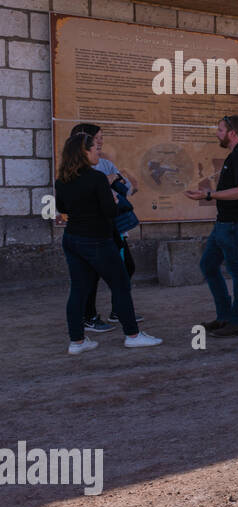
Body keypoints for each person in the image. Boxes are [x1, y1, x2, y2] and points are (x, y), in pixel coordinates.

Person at [55, 132, 161, 354]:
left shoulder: (62, 179)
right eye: (95, 148)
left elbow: (63, 208)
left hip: (72, 239)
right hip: (97, 240)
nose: (98, 152)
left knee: (78, 290)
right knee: (121, 285)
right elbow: (111, 211)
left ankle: (77, 341)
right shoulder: (96, 178)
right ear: (84, 152)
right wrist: (112, 199)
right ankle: (132, 335)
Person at [185, 114, 238, 337]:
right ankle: (225, 316)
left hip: (235, 224)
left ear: (232, 133)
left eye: (220, 130)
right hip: (224, 223)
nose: (218, 133)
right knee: (208, 266)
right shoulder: (236, 154)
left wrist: (208, 194)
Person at [69, 122, 140, 332]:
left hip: (111, 226)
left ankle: (118, 312)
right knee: (89, 277)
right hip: (90, 231)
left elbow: (125, 188)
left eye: (101, 138)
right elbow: (68, 201)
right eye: (97, 139)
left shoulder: (106, 164)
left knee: (125, 268)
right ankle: (89, 319)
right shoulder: (73, 171)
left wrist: (120, 181)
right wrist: (104, 184)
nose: (100, 142)